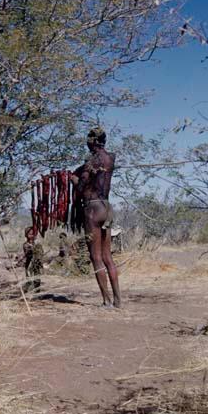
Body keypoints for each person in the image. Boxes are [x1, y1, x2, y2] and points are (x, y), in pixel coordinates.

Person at [69, 126, 121, 308]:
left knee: (96, 256)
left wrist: (72, 178)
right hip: (107, 207)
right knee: (108, 256)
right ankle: (117, 301)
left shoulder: (91, 161)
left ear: (92, 141)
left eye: (88, 140)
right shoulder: (110, 158)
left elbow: (81, 186)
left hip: (92, 208)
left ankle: (106, 301)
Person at [19, 226, 43, 292]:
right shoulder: (25, 244)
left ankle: (37, 293)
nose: (32, 235)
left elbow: (40, 252)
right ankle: (25, 291)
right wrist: (32, 248)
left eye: (33, 234)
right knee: (29, 279)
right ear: (26, 235)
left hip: (36, 264)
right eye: (30, 234)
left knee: (37, 279)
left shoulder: (37, 244)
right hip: (29, 264)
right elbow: (27, 253)